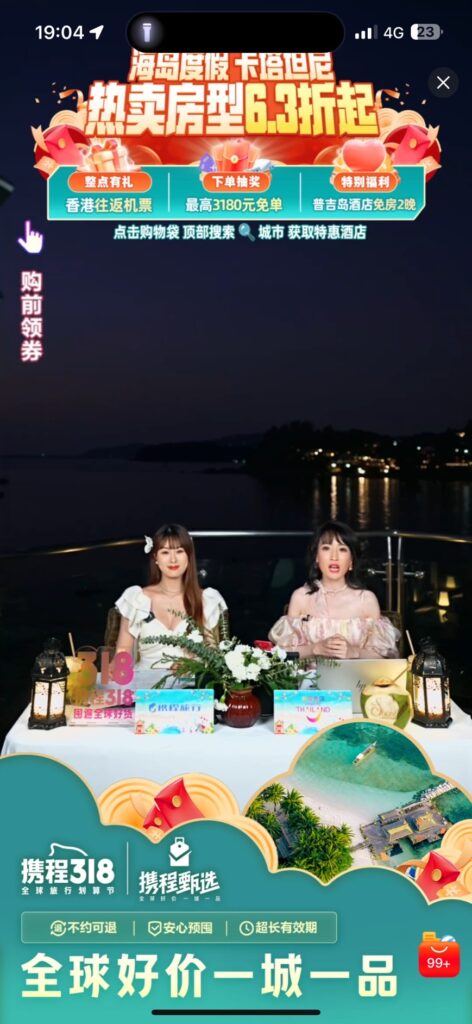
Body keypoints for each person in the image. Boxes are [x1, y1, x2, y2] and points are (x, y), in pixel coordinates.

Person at [269, 519, 400, 659]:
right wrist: (315, 648)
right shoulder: (301, 597)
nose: (334, 557)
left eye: (342, 549)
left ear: (351, 561)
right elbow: (282, 654)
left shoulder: (366, 599)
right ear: (316, 557)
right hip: (310, 673)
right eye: (326, 548)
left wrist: (354, 652)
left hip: (356, 674)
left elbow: (384, 658)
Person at [115, 523, 228, 671]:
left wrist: (192, 666)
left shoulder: (206, 599)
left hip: (191, 683)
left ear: (188, 556)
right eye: (165, 552)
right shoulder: (136, 598)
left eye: (179, 551)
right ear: (155, 557)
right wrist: (116, 669)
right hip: (145, 682)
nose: (173, 559)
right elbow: (122, 653)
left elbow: (214, 657)